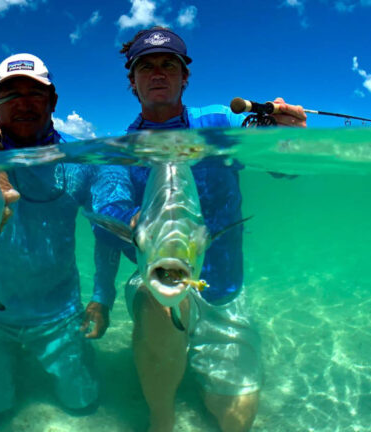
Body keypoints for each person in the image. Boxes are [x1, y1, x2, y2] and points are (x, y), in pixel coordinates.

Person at [105, 27, 307, 432]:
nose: (158, 73)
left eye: (169, 65)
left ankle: (193, 362)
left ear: (185, 77)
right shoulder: (119, 150)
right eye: (146, 67)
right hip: (155, 273)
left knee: (236, 420)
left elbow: (283, 167)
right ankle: (160, 414)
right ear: (132, 81)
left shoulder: (220, 122)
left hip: (223, 289)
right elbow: (109, 201)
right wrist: (133, 222)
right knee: (156, 302)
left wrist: (287, 139)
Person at [0, 53, 133, 430]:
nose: (22, 102)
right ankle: (5, 359)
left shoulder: (83, 160)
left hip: (59, 314)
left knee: (83, 405)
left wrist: (102, 299)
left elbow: (107, 230)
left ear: (53, 102)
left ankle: (36, 355)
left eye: (35, 93)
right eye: (8, 95)